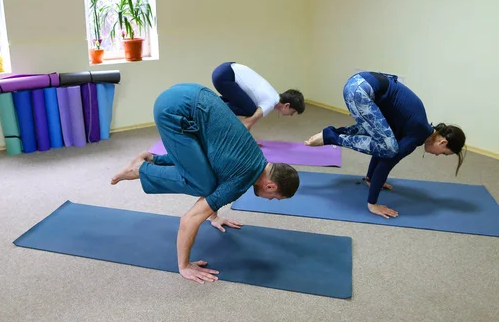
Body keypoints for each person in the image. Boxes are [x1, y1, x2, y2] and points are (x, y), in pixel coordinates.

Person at [111, 83, 300, 284]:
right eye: (274, 198)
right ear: (271, 186)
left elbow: (212, 163)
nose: (270, 200)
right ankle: (139, 169)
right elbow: (189, 220)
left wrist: (214, 215)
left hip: (192, 95)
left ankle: (151, 159)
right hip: (174, 110)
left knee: (207, 176)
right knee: (201, 185)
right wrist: (184, 266)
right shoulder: (241, 180)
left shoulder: (255, 156)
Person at [305, 71, 466, 219]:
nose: (438, 155)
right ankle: (332, 137)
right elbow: (386, 162)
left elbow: (381, 153)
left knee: (384, 142)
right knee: (389, 149)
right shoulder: (418, 132)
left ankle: (332, 134)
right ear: (442, 142)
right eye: (444, 153)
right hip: (360, 91)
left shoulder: (416, 126)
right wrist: (373, 203)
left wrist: (371, 178)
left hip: (357, 84)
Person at [211, 61, 305, 131]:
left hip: (225, 70)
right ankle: (210, 108)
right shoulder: (270, 103)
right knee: (250, 110)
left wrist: (251, 141)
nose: (290, 115)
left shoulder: (272, 96)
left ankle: (210, 103)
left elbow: (250, 122)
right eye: (292, 112)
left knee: (248, 107)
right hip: (225, 76)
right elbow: (246, 123)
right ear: (287, 105)